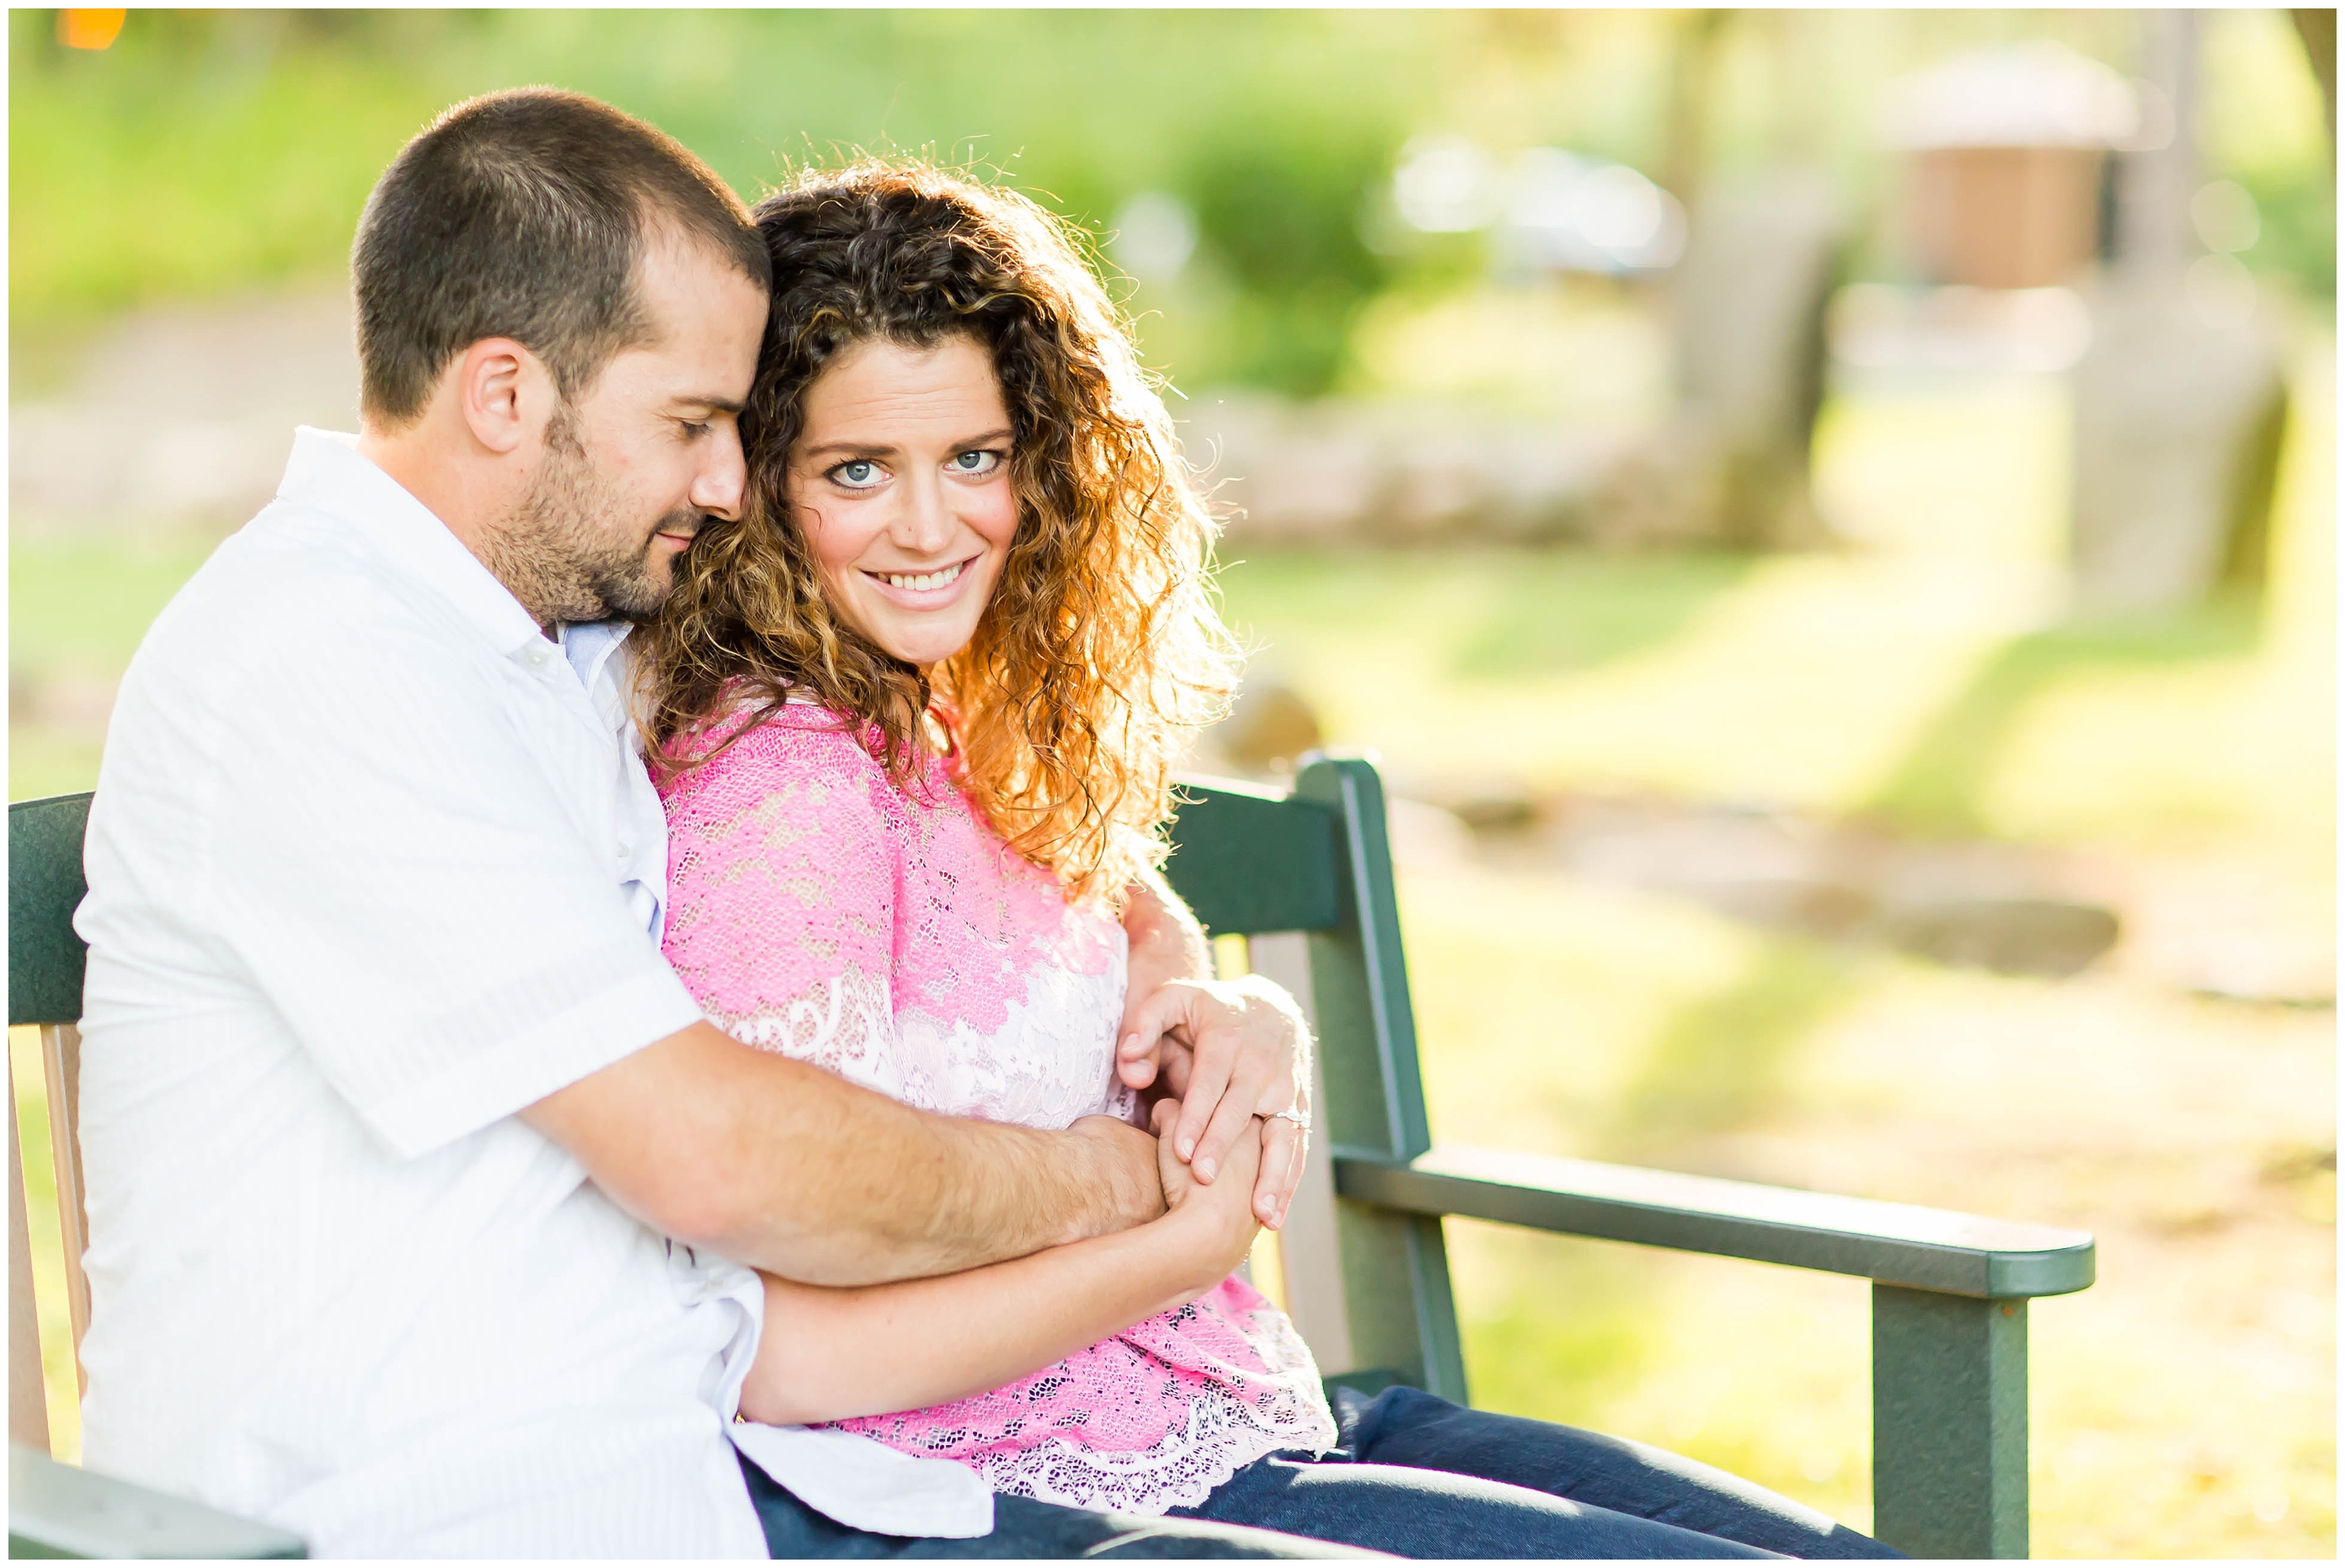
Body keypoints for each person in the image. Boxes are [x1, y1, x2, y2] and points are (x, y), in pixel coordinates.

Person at [71, 88, 1327, 1560]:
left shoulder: (554, 646)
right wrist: (1136, 1178)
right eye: (690, 425)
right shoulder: (319, 664)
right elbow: (720, 1159)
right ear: (503, 396)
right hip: (432, 1517)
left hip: (699, 1483)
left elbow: (1001, 824)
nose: (734, 487)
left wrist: (1187, 978)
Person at [632, 161, 1904, 1560]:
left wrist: (1231, 998)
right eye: (856, 470)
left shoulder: (936, 721)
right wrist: (1179, 1240)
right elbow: (779, 1356)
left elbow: (1099, 899)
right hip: (1050, 1494)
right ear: (757, 482)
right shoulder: (782, 789)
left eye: (977, 458)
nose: (933, 528)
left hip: (1246, 1414)